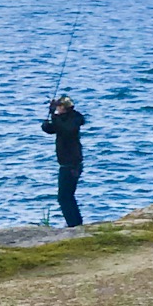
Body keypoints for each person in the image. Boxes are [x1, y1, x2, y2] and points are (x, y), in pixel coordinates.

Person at [42, 96, 87, 226]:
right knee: (68, 196)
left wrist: (53, 115)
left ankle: (73, 224)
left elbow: (65, 129)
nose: (57, 109)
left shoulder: (73, 120)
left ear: (64, 108)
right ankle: (75, 223)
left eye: (59, 106)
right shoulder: (66, 119)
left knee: (64, 197)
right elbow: (53, 129)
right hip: (67, 164)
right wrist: (46, 124)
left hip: (71, 164)